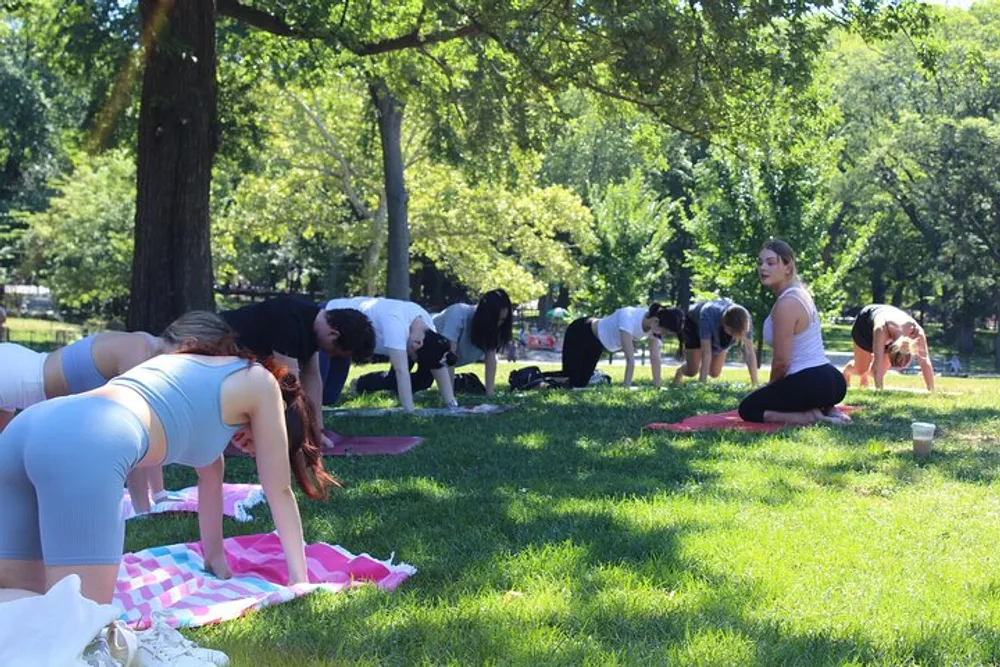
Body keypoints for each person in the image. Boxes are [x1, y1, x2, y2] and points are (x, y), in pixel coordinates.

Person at [0, 314, 331, 606]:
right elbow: (279, 491)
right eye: (258, 444)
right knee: (79, 618)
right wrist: (299, 579)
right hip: (87, 437)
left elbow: (211, 485)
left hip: (27, 427)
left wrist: (216, 560)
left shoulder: (198, 382)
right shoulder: (259, 382)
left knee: (18, 597)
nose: (250, 449)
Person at [220, 295, 376, 439]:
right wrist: (303, 434)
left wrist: (317, 430)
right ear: (333, 334)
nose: (332, 355)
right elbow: (290, 383)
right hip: (218, 347)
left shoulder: (313, 324)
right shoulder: (290, 320)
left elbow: (312, 378)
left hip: (241, 357)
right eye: (335, 351)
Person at [738, 239, 850, 425]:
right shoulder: (800, 293)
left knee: (749, 408)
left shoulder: (786, 303)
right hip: (832, 382)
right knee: (781, 395)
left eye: (771, 263)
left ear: (788, 267)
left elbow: (782, 362)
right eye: (760, 262)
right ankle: (827, 408)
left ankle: (810, 417)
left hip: (812, 382)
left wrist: (770, 391)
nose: (763, 268)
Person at [326, 296, 458, 411]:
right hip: (330, 321)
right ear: (417, 343)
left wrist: (451, 404)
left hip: (347, 343)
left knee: (328, 396)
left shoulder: (427, 327)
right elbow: (401, 371)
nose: (411, 358)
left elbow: (438, 366)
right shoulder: (396, 324)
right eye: (414, 357)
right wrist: (409, 411)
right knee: (318, 389)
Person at [545, 303, 685, 389]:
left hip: (596, 343)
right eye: (665, 331)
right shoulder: (629, 318)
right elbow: (630, 359)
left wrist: (657, 386)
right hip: (581, 331)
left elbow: (655, 358)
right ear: (655, 321)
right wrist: (626, 388)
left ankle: (592, 376)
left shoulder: (654, 329)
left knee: (580, 383)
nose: (663, 335)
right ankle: (532, 379)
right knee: (570, 379)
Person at [432, 289, 514, 396]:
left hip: (440, 362)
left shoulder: (494, 327)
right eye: (495, 320)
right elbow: (449, 356)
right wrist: (450, 396)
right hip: (421, 347)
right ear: (485, 316)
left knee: (423, 382)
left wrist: (490, 394)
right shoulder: (458, 314)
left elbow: (491, 358)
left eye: (502, 320)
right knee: (423, 381)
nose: (498, 325)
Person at [842, 304, 934, 391]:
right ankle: (846, 372)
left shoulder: (916, 331)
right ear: (890, 350)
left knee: (875, 373)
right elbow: (878, 362)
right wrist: (879, 391)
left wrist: (931, 391)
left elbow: (925, 360)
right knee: (861, 370)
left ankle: (865, 375)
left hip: (889, 327)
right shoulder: (881, 328)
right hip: (865, 325)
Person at [674, 299, 759, 385]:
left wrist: (755, 383)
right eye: (732, 333)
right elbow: (706, 353)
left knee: (714, 372)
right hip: (693, 323)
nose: (734, 336)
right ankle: (680, 371)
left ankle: (702, 368)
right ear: (724, 323)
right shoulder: (708, 315)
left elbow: (750, 351)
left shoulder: (744, 319)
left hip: (718, 326)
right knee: (692, 370)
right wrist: (702, 384)